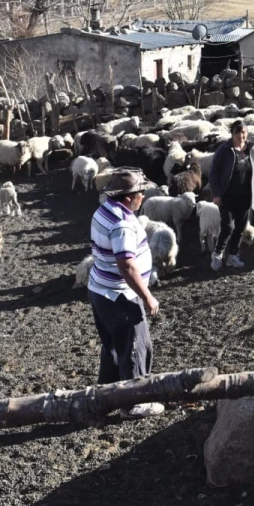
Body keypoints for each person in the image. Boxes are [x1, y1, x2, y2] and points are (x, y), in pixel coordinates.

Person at [88, 167, 165, 418]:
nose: (144, 196)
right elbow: (127, 265)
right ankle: (134, 403)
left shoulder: (104, 210)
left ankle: (106, 396)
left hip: (100, 289)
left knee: (113, 344)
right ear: (130, 197)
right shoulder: (122, 223)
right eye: (141, 192)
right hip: (119, 294)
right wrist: (147, 296)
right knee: (135, 345)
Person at [208, 119, 254, 271]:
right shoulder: (224, 150)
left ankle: (233, 255)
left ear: (247, 134)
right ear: (232, 134)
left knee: (240, 227)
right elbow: (213, 173)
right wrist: (217, 194)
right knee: (228, 226)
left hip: (245, 195)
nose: (241, 135)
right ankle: (218, 254)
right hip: (227, 196)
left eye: (244, 132)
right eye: (238, 132)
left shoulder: (251, 149)